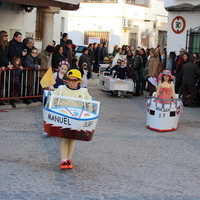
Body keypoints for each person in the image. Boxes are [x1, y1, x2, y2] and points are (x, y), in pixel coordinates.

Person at [51, 69, 92, 169]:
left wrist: (88, 116)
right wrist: (53, 112)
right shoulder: (61, 89)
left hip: (77, 119)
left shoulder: (83, 92)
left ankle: (68, 158)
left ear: (78, 81)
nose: (71, 82)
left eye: (74, 80)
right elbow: (52, 99)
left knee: (73, 139)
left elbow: (89, 104)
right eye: (69, 80)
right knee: (64, 138)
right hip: (64, 118)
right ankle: (63, 160)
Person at [0, 30, 12, 105]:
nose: (7, 37)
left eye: (7, 36)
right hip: (1, 65)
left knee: (2, 84)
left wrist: (8, 63)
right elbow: (0, 56)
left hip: (4, 65)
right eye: (5, 35)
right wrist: (3, 65)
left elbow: (6, 56)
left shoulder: (7, 45)